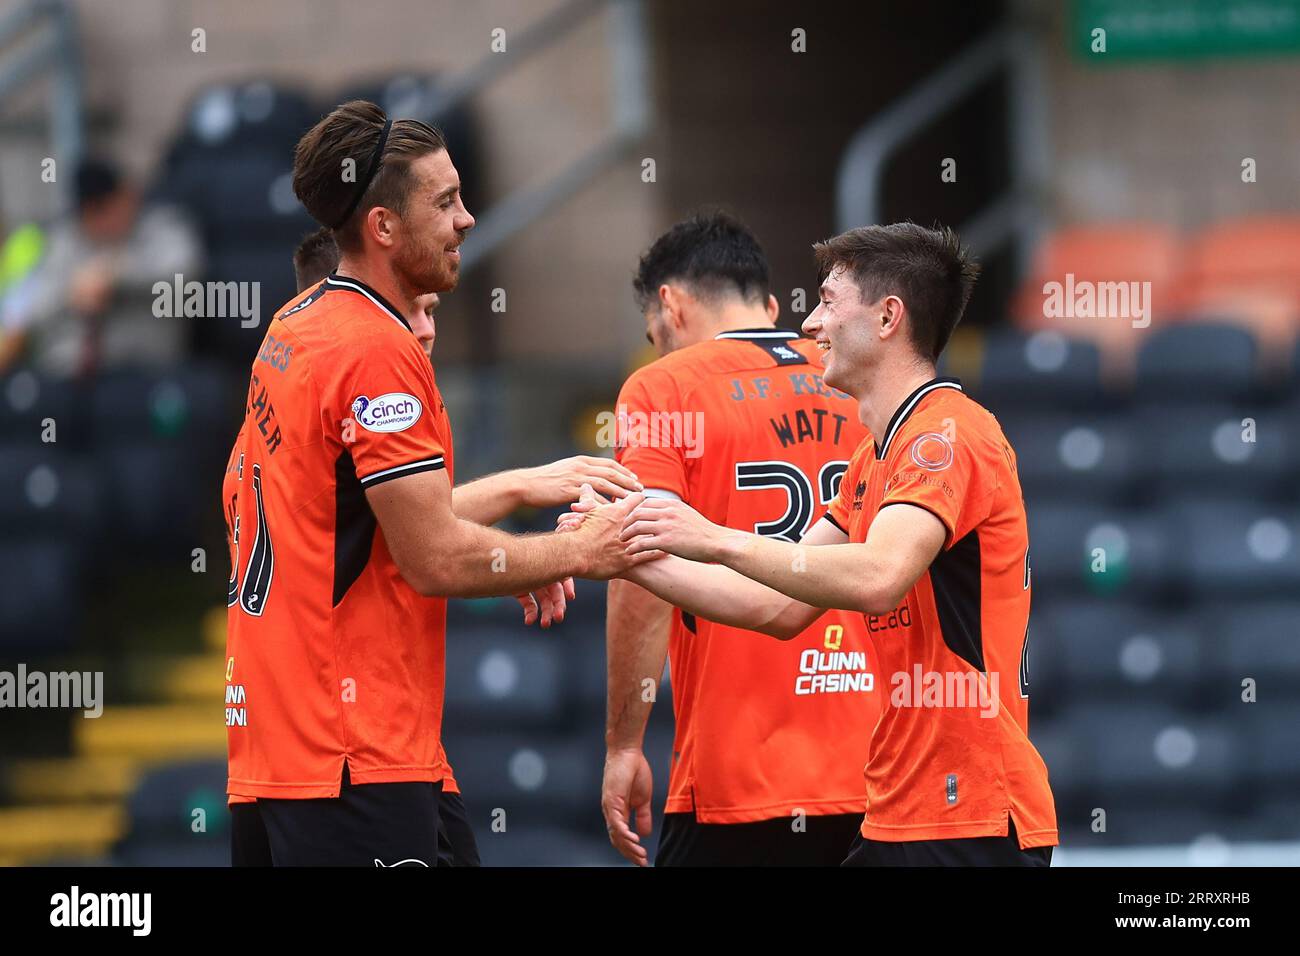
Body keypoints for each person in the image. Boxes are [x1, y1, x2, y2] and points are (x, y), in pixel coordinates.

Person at [223, 101, 646, 866]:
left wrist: (520, 489)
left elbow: (363, 523)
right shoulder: (374, 352)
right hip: (350, 756)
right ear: (383, 228)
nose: (469, 219)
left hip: (282, 753)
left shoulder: (295, 326)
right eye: (445, 201)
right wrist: (585, 550)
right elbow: (434, 558)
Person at [596, 222, 1057, 866]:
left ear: (889, 317)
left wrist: (710, 535)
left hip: (969, 812)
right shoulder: (875, 456)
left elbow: (877, 576)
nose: (809, 324)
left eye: (828, 304)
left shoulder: (947, 434)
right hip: (898, 809)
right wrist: (621, 550)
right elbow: (774, 607)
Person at [600, 213, 877, 867]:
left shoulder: (661, 387)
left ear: (669, 305)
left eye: (653, 334)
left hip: (740, 779)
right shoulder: (862, 376)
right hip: (881, 769)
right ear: (773, 307)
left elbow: (641, 565)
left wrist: (622, 746)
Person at [5, 157, 203, 377]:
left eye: (106, 207)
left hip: (149, 374)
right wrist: (72, 293)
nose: (102, 220)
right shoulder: (64, 240)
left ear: (127, 195)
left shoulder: (162, 227)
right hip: (71, 378)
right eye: (91, 211)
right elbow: (29, 312)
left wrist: (115, 275)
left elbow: (187, 274)